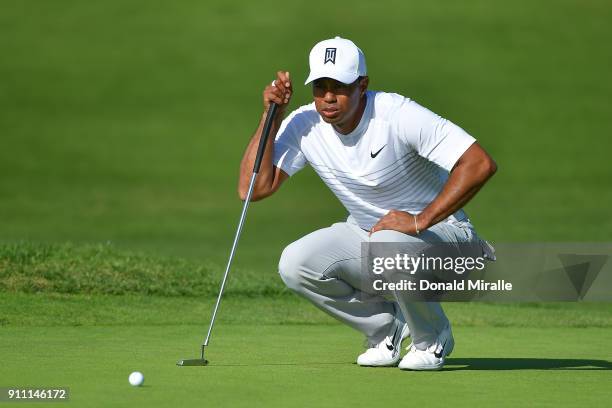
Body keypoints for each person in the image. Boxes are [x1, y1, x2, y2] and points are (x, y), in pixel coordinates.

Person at [238, 37, 497, 371]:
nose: (328, 97)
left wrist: (420, 220)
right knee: (296, 263)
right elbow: (252, 188)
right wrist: (271, 116)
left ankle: (433, 338)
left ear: (363, 84)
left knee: (386, 243)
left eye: (339, 87)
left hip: (449, 240)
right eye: (320, 87)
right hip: (374, 238)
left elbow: (479, 163)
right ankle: (387, 330)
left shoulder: (396, 114)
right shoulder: (305, 125)